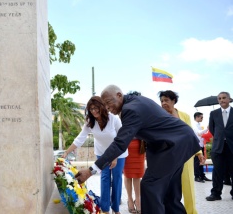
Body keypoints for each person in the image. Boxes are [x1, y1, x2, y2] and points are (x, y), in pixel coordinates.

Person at [75, 85, 204, 214]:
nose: (107, 107)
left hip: (175, 144)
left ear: (119, 95)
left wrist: (90, 171)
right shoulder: (135, 101)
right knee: (168, 191)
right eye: (105, 105)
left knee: (150, 186)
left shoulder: (130, 109)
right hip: (179, 141)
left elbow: (120, 143)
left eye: (108, 102)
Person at [62, 96, 128, 214]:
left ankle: (116, 209)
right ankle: (105, 209)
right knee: (105, 178)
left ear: (102, 107)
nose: (94, 111)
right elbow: (80, 139)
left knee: (117, 179)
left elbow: (121, 138)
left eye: (96, 108)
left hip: (119, 153)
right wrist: (67, 152)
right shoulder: (90, 122)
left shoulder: (114, 119)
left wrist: (115, 157)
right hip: (102, 153)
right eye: (91, 109)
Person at [159, 90, 203, 214]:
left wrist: (198, 153)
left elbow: (191, 135)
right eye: (162, 101)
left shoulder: (185, 116)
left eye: (166, 100)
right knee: (170, 189)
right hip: (168, 156)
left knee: (188, 186)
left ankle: (191, 211)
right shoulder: (159, 116)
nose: (163, 103)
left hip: (186, 155)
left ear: (174, 101)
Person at [206, 91, 233, 201]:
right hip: (218, 147)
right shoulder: (214, 113)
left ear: (229, 99)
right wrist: (221, 138)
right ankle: (216, 193)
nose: (222, 100)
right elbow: (212, 129)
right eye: (220, 98)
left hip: (232, 146)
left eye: (224, 98)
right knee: (217, 171)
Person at [123, 92, 145, 214]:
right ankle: (130, 200)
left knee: (137, 175)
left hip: (139, 146)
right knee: (127, 175)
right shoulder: (124, 112)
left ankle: (138, 200)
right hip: (126, 146)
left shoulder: (142, 112)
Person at [192, 112, 211, 182]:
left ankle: (202, 175)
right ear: (197, 117)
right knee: (197, 161)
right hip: (197, 145)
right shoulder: (194, 125)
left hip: (201, 145)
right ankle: (197, 176)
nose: (202, 119)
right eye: (201, 117)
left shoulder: (199, 125)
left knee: (201, 160)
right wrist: (206, 129)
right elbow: (199, 133)